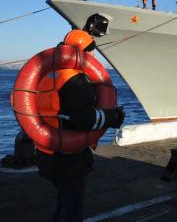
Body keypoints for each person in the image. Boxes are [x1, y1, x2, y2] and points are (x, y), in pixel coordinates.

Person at [37, 29, 125, 222]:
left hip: (48, 152)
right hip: (70, 158)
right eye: (91, 51)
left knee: (63, 203)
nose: (93, 56)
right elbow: (84, 119)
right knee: (71, 210)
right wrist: (114, 117)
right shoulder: (76, 81)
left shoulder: (49, 76)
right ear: (84, 53)